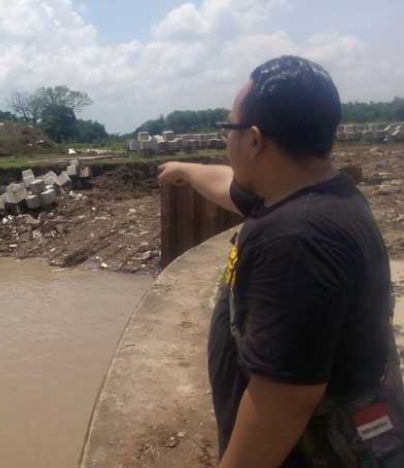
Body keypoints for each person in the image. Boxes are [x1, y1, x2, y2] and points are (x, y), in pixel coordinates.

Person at [158, 56, 404, 467]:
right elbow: (230, 187)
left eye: (228, 130)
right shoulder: (319, 195)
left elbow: (284, 399)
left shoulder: (295, 239)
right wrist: (185, 169)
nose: (226, 141)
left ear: (253, 139)